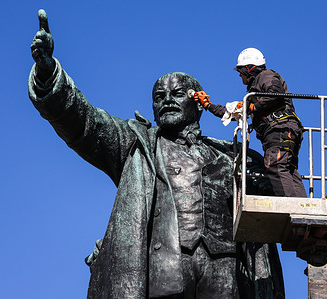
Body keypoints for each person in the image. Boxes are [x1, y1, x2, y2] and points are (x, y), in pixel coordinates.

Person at [29, 10, 285, 299]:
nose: (167, 101)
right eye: (159, 97)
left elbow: (270, 192)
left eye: (177, 94)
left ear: (198, 104)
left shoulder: (230, 157)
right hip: (166, 267)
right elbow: (85, 122)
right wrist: (49, 73)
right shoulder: (137, 144)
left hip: (225, 268)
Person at [195, 48, 307, 198]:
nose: (240, 76)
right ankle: (303, 207)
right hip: (283, 131)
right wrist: (208, 105)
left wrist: (254, 107)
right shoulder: (254, 93)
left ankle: (292, 209)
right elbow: (232, 113)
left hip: (279, 129)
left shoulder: (265, 76)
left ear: (249, 69)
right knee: (289, 170)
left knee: (276, 166)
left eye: (240, 72)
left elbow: (275, 94)